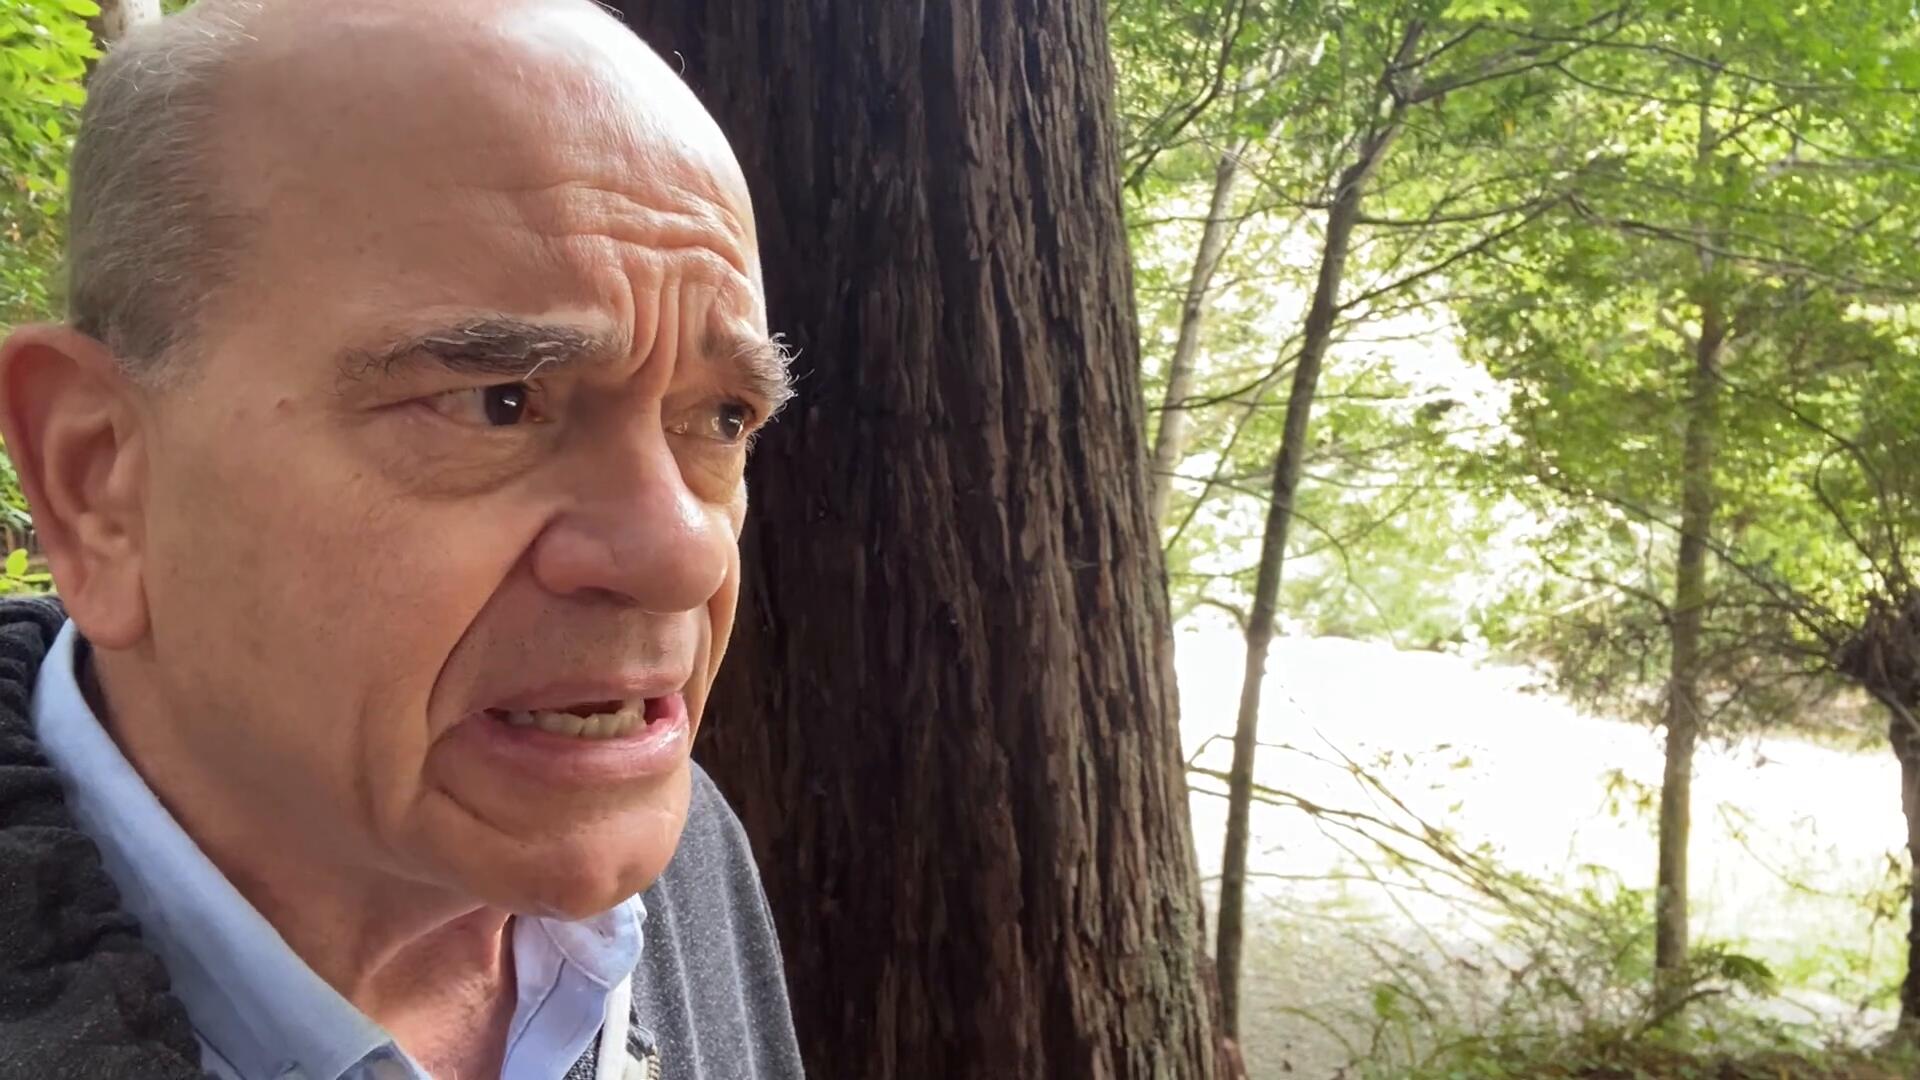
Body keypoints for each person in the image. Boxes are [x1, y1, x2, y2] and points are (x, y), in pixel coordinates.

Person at [0, 0, 804, 1077]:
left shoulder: (687, 852)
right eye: (500, 403)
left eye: (722, 419)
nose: (685, 557)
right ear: (95, 478)